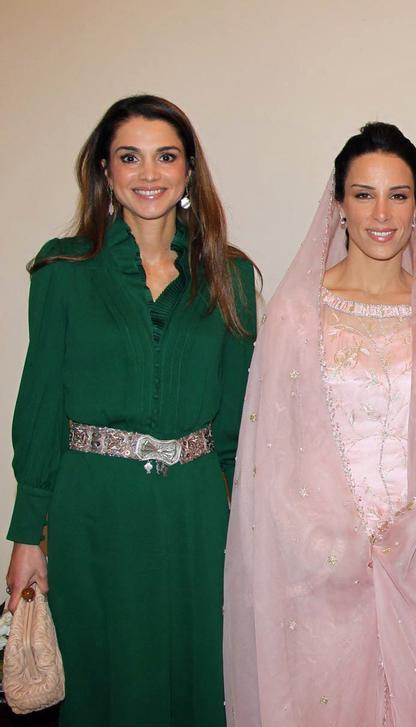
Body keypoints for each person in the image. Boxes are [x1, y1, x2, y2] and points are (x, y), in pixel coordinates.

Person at [223, 123, 416, 726]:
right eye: (363, 193)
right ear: (339, 203)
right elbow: (273, 452)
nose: (381, 212)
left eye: (398, 195)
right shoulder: (297, 311)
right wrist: (327, 539)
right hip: (320, 555)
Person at [3, 95, 256, 726]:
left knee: (199, 679)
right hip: (92, 511)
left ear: (189, 171)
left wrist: (251, 530)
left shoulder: (231, 275)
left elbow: (238, 429)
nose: (150, 173)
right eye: (130, 157)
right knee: (101, 681)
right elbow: (39, 404)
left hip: (196, 514)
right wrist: (27, 533)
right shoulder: (62, 270)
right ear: (105, 173)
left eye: (166, 156)